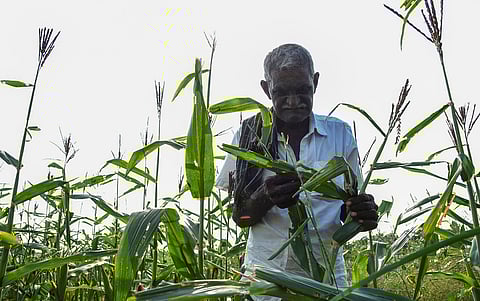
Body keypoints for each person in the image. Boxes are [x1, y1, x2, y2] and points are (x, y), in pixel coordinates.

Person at [216, 44, 378, 300]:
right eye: (281, 92)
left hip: (325, 280)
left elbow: (348, 208)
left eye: (303, 90)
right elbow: (241, 217)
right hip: (266, 282)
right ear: (266, 88)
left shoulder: (340, 134)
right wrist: (265, 197)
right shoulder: (250, 134)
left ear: (315, 82)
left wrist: (362, 212)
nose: (293, 101)